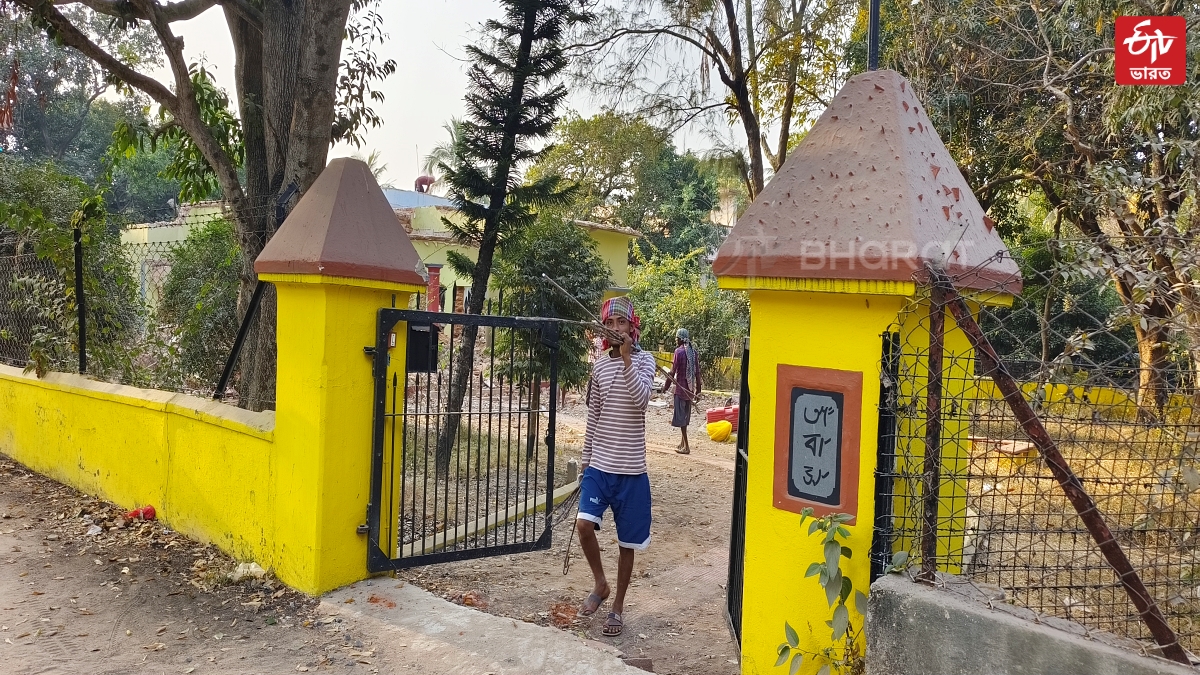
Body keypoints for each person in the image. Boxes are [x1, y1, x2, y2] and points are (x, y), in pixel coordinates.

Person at [575, 296, 658, 638]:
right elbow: (593, 417)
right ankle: (600, 582)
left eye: (620, 323)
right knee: (583, 526)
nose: (614, 329)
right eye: (609, 324)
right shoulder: (598, 366)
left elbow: (641, 402)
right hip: (600, 465)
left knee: (627, 544)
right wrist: (584, 463)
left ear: (632, 327)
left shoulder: (645, 362)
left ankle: (617, 606)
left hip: (632, 470)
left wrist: (626, 361)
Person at [662, 328, 701, 454]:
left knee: (682, 420)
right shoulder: (693, 352)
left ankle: (686, 446)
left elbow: (672, 372)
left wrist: (666, 387)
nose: (675, 340)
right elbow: (697, 373)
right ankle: (682, 443)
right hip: (690, 390)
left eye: (676, 338)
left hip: (680, 390)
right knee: (685, 417)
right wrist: (698, 391)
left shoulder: (678, 352)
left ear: (680, 339)